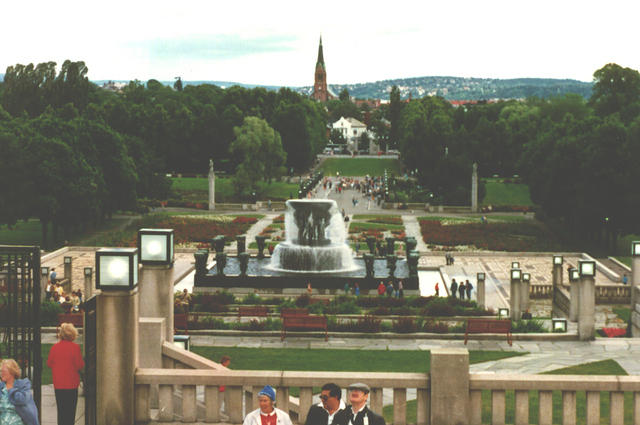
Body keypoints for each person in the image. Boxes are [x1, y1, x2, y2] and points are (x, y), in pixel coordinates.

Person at [47, 323, 84, 425]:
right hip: (71, 384)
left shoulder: (54, 348)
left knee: (61, 411)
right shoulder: (75, 348)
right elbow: (79, 365)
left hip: (58, 384)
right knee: (70, 412)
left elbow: (49, 363)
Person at [0, 358, 39, 425]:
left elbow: (22, 400)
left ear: (12, 371)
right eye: (0, 371)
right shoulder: (1, 386)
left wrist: (10, 389)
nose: (1, 374)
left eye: (4, 371)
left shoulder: (23, 385)